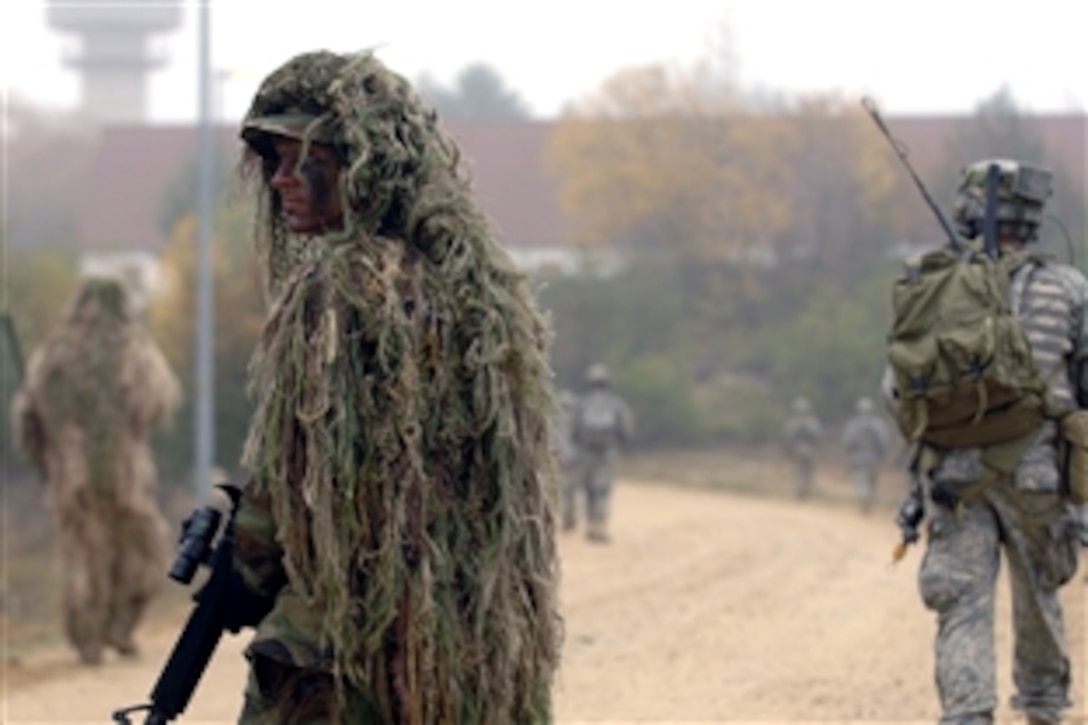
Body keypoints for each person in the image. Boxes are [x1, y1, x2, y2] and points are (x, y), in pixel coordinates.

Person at [229, 49, 561, 723]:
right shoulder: (480, 291)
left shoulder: (335, 289)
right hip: (464, 636)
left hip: (341, 648)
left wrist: (242, 571)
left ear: (361, 161)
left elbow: (291, 475)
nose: (283, 181)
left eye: (304, 159)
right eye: (275, 162)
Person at [888, 158, 1088, 725]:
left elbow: (895, 388)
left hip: (956, 477)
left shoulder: (932, 286)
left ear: (970, 212)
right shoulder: (1068, 288)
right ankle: (1045, 707)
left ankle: (968, 713)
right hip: (1039, 473)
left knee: (961, 605)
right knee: (1039, 595)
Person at [10, 275, 181, 665]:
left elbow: (26, 419)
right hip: (126, 474)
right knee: (143, 549)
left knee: (83, 555)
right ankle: (120, 625)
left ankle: (87, 639)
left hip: (72, 475)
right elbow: (156, 405)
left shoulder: (53, 355)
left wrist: (46, 459)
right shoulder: (133, 350)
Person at [569, 363, 633, 543]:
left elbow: (573, 430)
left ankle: (590, 525)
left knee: (588, 489)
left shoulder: (582, 403)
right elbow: (625, 429)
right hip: (608, 452)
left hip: (586, 453)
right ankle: (601, 526)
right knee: (603, 489)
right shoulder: (615, 403)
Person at [841, 396, 891, 514]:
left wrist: (849, 454)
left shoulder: (853, 424)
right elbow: (883, 441)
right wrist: (881, 455)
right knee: (872, 480)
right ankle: (869, 499)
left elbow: (848, 441)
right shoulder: (877, 424)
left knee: (860, 479)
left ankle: (864, 498)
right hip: (872, 457)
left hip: (857, 457)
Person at [554, 388, 583, 531]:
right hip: (574, 459)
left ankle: (565, 518)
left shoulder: (554, 421)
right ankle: (570, 518)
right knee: (572, 490)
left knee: (561, 490)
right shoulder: (577, 420)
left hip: (558, 458)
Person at [783, 396, 822, 500]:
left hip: (797, 450)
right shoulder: (813, 422)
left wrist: (788, 451)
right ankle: (806, 489)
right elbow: (817, 437)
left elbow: (789, 437)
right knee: (808, 471)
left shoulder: (793, 422)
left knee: (798, 471)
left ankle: (799, 489)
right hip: (810, 450)